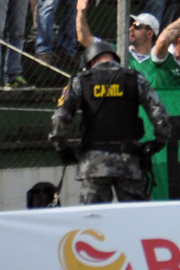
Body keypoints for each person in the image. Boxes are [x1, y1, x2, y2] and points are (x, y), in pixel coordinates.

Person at [49, 40, 169, 204]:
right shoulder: (134, 78)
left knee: (94, 221)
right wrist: (159, 142)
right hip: (129, 162)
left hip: (93, 164)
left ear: (91, 61)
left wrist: (61, 147)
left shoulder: (80, 80)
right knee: (138, 221)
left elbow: (60, 117)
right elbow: (159, 114)